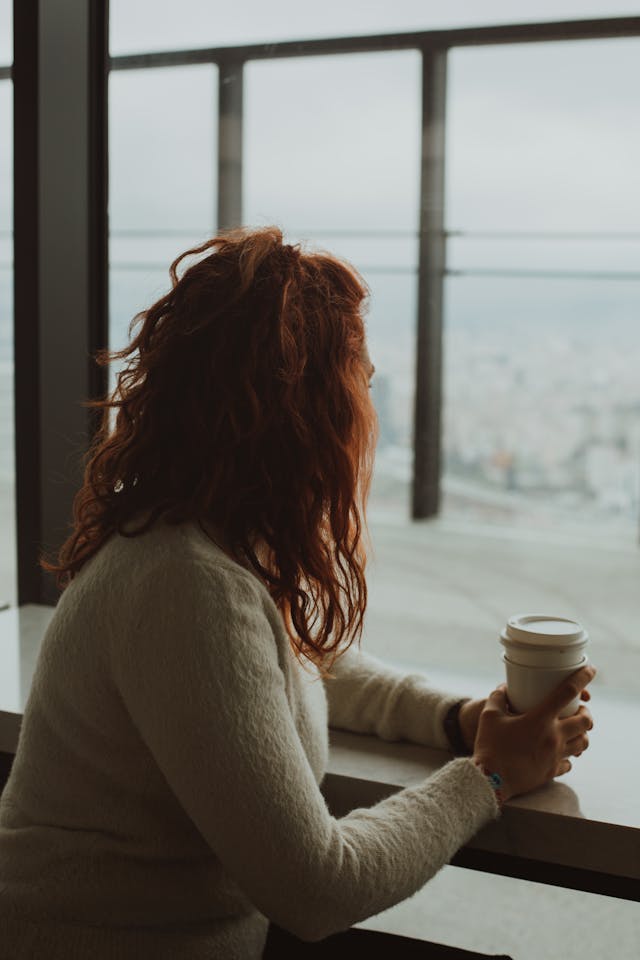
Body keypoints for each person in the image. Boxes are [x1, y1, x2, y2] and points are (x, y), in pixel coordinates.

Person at [0, 226, 595, 960]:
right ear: (305, 412)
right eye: (361, 384)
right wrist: (490, 778)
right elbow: (318, 889)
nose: (368, 415)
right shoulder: (186, 587)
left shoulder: (199, 545)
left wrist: (457, 718)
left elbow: (290, 668)